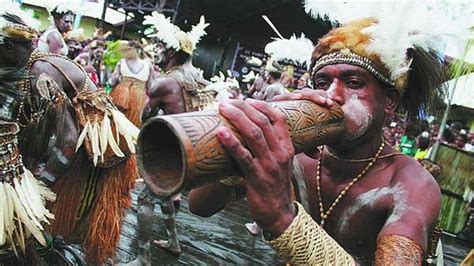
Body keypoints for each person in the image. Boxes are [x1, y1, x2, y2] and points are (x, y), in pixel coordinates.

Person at [188, 4, 453, 264]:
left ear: (390, 101)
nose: (332, 95)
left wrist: (284, 219)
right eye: (323, 83)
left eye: (353, 83)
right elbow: (200, 206)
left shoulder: (411, 183)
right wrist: (244, 144)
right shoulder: (293, 150)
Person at [0, 10, 139, 264]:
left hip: (99, 152)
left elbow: (67, 141)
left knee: (42, 218)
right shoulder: (33, 66)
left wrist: (39, 189)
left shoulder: (41, 72)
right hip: (84, 146)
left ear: (8, 47)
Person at [130, 12, 213, 264]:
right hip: (194, 147)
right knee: (164, 193)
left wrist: (151, 88)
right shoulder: (198, 77)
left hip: (170, 150)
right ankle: (174, 242)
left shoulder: (166, 82)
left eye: (161, 47)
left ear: (171, 53)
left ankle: (142, 257)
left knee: (146, 198)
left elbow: (146, 115)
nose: (158, 51)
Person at [109, 40, 154, 127]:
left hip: (119, 95)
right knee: (132, 124)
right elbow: (150, 88)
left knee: (115, 121)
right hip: (138, 97)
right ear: (139, 51)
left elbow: (112, 81)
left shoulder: (121, 62)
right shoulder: (148, 65)